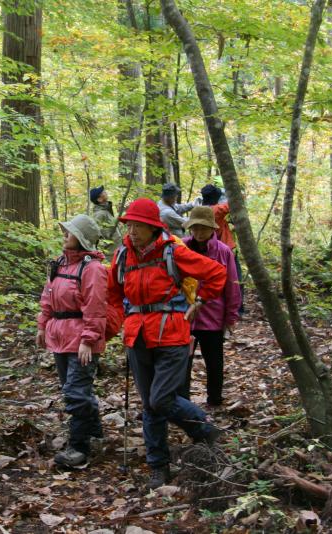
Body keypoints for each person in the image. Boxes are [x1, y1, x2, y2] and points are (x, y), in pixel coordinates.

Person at [107, 198, 226, 489]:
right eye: (129, 225)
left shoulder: (173, 251)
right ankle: (159, 467)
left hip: (171, 334)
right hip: (137, 335)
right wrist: (111, 327)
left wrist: (200, 301)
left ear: (152, 227)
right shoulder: (123, 255)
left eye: (138, 225)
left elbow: (216, 274)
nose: (132, 230)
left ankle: (205, 430)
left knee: (160, 399)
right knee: (150, 405)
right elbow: (112, 294)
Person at [37, 214, 107, 467]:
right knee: (76, 391)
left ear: (83, 238)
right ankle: (96, 434)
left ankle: (79, 449)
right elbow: (48, 295)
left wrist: (88, 339)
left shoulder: (93, 269)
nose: (65, 234)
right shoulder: (59, 263)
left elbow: (96, 308)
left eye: (71, 231)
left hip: (81, 340)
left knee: (75, 393)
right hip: (59, 335)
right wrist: (42, 325)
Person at [182, 207, 241, 407]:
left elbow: (232, 285)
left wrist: (231, 317)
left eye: (203, 228)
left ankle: (214, 399)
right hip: (185, 317)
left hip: (213, 317)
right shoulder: (182, 248)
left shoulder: (223, 252)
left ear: (212, 229)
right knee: (183, 363)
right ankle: (183, 402)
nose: (198, 233)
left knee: (214, 362)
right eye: (195, 228)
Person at [201, 184, 243, 313]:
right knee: (235, 278)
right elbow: (234, 201)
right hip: (224, 250)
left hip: (212, 250)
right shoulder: (215, 210)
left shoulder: (201, 210)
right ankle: (238, 308)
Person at [89, 185, 122, 255]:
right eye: (103, 192)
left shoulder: (106, 211)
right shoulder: (100, 214)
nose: (105, 192)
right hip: (110, 253)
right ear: (99, 199)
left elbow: (111, 229)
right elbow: (95, 233)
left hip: (117, 250)